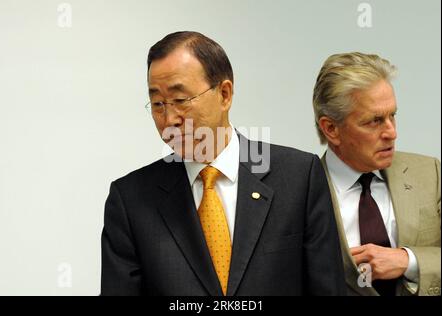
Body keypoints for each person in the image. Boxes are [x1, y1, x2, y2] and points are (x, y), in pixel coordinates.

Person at [100, 31, 345, 296]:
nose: (169, 118)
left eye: (180, 100)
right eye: (158, 104)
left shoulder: (299, 177)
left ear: (225, 94)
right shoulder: (131, 200)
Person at [313, 52, 441, 296]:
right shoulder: (300, 191)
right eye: (375, 121)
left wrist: (409, 260)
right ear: (331, 128)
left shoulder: (430, 174)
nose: (391, 132)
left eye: (393, 115)